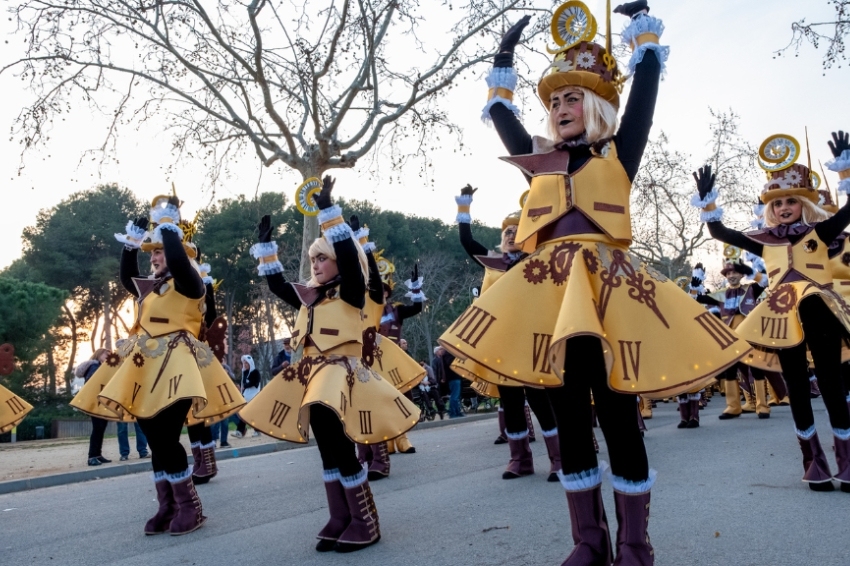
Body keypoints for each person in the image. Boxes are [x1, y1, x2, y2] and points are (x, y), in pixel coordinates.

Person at [439, 4, 750, 564]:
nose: (560, 108)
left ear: (598, 106)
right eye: (554, 101)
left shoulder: (618, 158)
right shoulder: (539, 165)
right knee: (570, 420)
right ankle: (589, 540)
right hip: (548, 302)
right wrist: (502, 59)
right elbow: (504, 114)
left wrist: (645, 32)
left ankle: (635, 543)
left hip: (610, 299)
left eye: (572, 98)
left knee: (617, 417)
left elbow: (644, 103)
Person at [238, 176, 419, 552]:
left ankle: (365, 521)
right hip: (310, 375)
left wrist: (328, 213)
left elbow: (353, 262)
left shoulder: (353, 293)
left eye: (323, 258)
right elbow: (277, 287)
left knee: (338, 445)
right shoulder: (310, 300)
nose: (316, 264)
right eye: (313, 259)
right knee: (325, 447)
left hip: (340, 375)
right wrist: (265, 246)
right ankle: (341, 516)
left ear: (337, 262)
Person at [693, 130, 850, 492]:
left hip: (820, 311)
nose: (783, 209)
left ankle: (846, 459)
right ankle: (813, 462)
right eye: (777, 204)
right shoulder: (763, 242)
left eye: (790, 202)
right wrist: (707, 201)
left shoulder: (820, 233)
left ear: (803, 204)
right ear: (770, 209)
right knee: (796, 386)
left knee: (830, 382)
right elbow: (720, 232)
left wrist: (844, 171)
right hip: (781, 319)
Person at [97, 193, 212, 535]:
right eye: (154, 252)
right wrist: (131, 244)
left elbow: (178, 260)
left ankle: (190, 506)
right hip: (144, 366)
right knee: (151, 434)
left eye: (160, 250)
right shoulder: (151, 289)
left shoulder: (191, 284)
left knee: (164, 435)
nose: (156, 256)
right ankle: (168, 506)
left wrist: (169, 225)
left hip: (178, 367)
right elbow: (126, 277)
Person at [452, 190, 560, 480]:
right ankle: (520, 460)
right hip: (502, 345)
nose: (511, 234)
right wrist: (464, 207)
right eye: (507, 231)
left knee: (540, 400)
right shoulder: (492, 261)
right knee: (511, 402)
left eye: (517, 230)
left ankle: (559, 459)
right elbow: (466, 241)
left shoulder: (538, 261)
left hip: (532, 343)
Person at [695, 255, 771, 420]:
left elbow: (766, 280)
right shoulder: (721, 295)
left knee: (757, 370)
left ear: (741, 274)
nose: (731, 276)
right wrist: (695, 282)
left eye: (735, 272)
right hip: (731, 339)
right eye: (728, 273)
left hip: (750, 337)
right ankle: (733, 406)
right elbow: (696, 298)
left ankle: (762, 406)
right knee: (730, 372)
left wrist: (752, 267)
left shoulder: (750, 289)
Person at [76, 349, 113, 466]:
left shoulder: (98, 366)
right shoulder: (94, 366)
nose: (108, 356)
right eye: (106, 354)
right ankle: (92, 457)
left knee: (100, 428)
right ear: (99, 354)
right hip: (96, 402)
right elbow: (95, 382)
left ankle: (97, 454)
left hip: (99, 402)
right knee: (98, 429)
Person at [234, 355, 261, 438]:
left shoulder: (255, 372)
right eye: (244, 363)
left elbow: (255, 382)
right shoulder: (244, 373)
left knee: (253, 414)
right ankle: (240, 431)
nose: (245, 364)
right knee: (243, 414)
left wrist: (246, 385)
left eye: (246, 363)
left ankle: (257, 430)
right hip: (246, 396)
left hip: (254, 396)